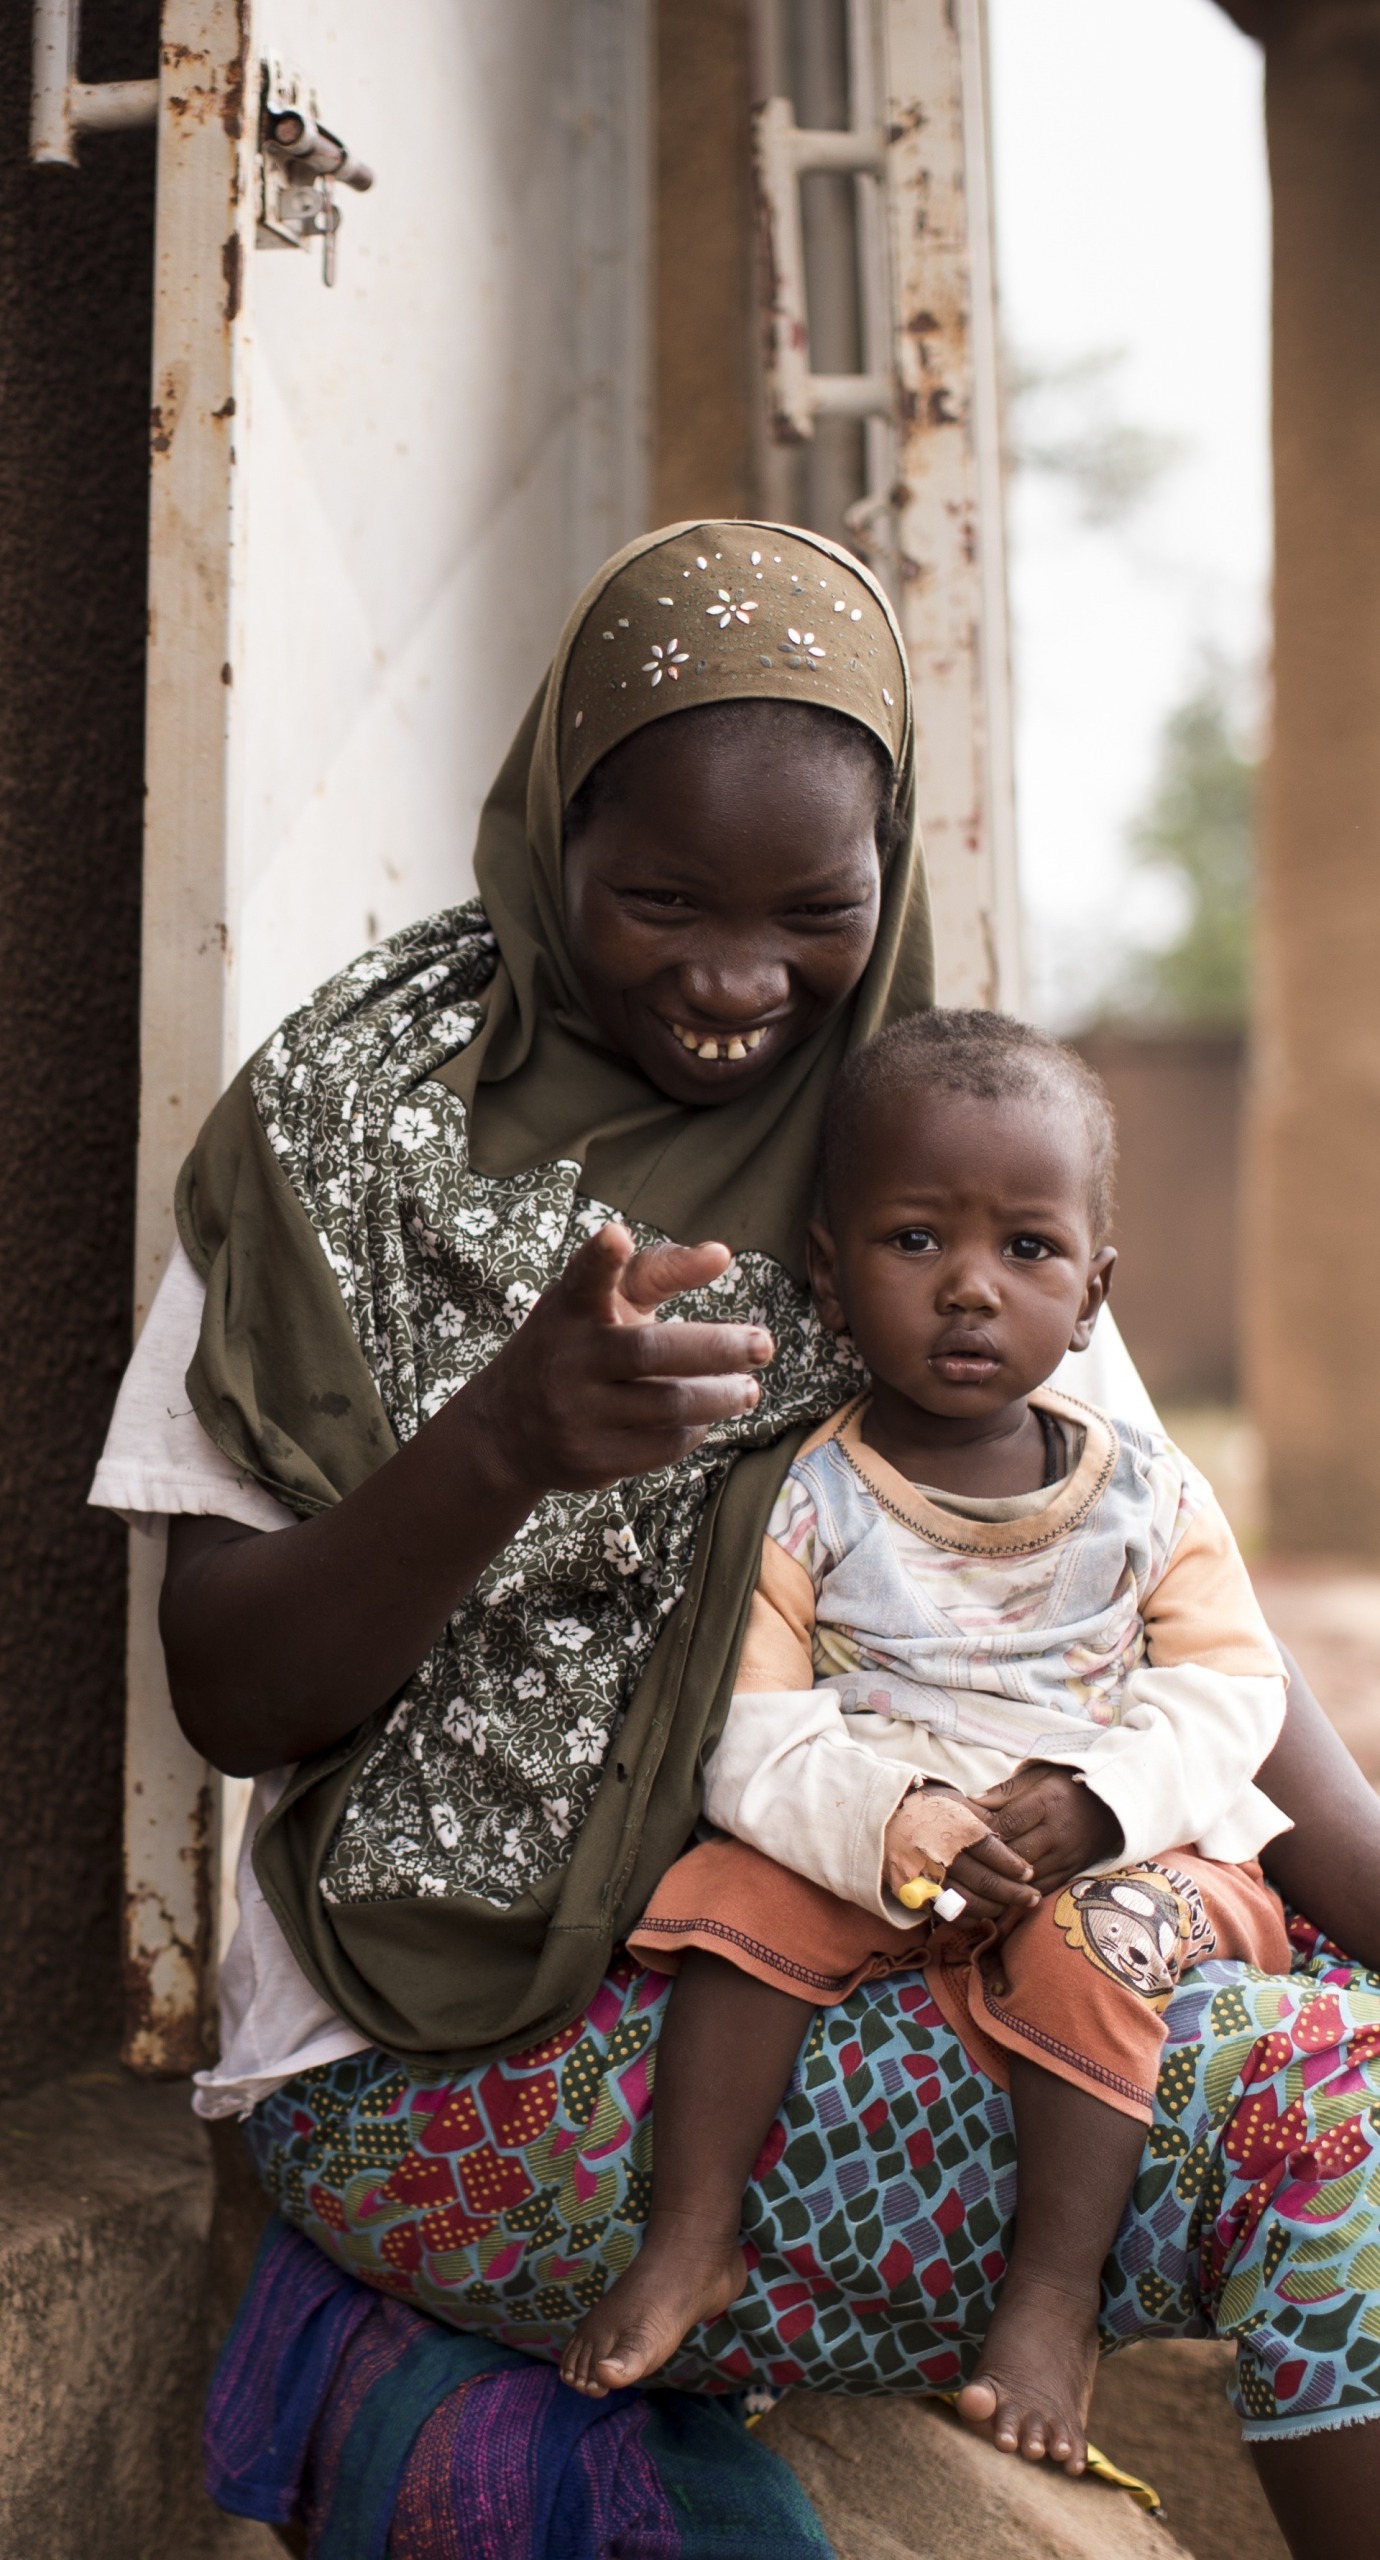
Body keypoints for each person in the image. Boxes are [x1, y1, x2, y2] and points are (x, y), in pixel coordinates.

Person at [88, 523, 1380, 2560]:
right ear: (548, 829)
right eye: (661, 899)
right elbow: (226, 1684)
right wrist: (502, 1440)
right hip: (463, 2051)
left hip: (891, 1937)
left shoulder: (923, 1157)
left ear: (897, 892)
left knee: (1316, 2034)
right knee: (1326, 2117)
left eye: (814, 914)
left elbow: (1163, 1581)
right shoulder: (341, 1139)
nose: (730, 980)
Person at [562, 1007, 1291, 2480]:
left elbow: (1233, 1690)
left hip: (1108, 1846)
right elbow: (752, 1734)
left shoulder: (1151, 1495)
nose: (970, 1289)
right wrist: (889, 1825)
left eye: (1026, 1250)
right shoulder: (805, 1501)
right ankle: (693, 2234)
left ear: (1093, 1292)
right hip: (886, 1836)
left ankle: (1050, 2302)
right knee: (731, 1901)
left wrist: (1100, 1805)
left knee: (1105, 1949)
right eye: (912, 1243)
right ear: (829, 1272)